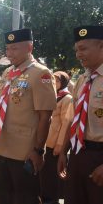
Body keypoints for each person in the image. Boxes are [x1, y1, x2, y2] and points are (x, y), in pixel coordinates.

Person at [0, 29, 56, 204]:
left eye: (14, 49)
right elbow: (0, 109)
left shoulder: (41, 74)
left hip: (24, 151)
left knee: (25, 197)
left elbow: (45, 117)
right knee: (5, 196)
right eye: (7, 49)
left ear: (29, 48)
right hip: (2, 145)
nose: (9, 54)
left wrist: (38, 150)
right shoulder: (7, 73)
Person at [57, 25, 103, 204]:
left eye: (83, 48)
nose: (78, 54)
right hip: (77, 155)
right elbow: (73, 119)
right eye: (76, 50)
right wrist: (63, 151)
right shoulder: (82, 80)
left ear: (101, 45)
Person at [39, 71, 73, 204]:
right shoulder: (50, 95)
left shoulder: (67, 98)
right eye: (53, 80)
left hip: (54, 144)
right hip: (44, 142)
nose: (55, 83)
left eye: (57, 80)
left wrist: (60, 145)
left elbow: (66, 124)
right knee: (42, 175)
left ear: (63, 82)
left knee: (51, 177)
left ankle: (51, 200)